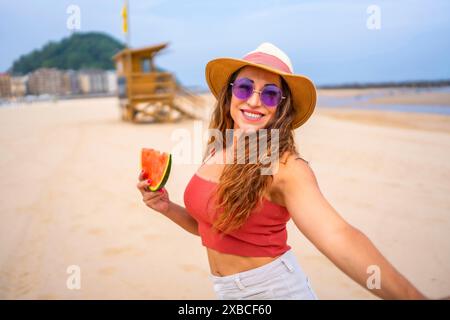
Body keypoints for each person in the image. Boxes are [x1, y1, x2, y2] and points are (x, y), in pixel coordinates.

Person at [136, 43, 428, 300]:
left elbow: (339, 235)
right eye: (245, 87)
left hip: (273, 290)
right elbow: (211, 228)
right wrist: (166, 207)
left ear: (281, 107)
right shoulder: (219, 149)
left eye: (270, 94)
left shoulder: (285, 167)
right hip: (224, 290)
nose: (253, 101)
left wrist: (411, 297)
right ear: (229, 94)